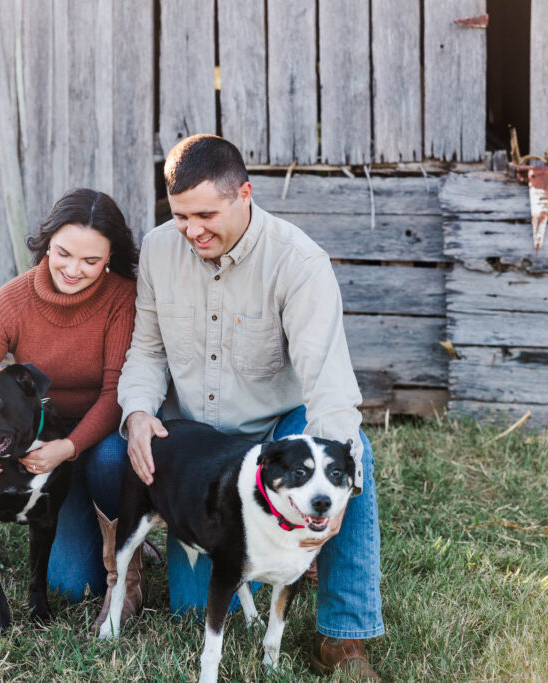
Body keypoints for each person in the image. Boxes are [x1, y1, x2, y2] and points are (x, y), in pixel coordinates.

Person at [117, 135, 383, 681]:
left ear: (245, 193)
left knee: (357, 457)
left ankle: (344, 637)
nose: (192, 231)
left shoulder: (298, 261)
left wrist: (333, 499)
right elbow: (145, 351)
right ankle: (147, 565)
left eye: (207, 214)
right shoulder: (159, 250)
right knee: (195, 607)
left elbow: (329, 387)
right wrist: (139, 412)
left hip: (276, 433)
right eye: (182, 215)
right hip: (197, 445)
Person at [0, 187, 146, 627]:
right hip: (39, 444)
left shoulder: (120, 298)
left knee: (108, 458)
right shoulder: (12, 301)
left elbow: (115, 393)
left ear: (110, 257)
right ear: (46, 243)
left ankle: (127, 545)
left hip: (95, 439)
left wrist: (69, 447)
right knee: (72, 585)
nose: (73, 270)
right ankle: (82, 519)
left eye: (91, 261)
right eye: (63, 254)